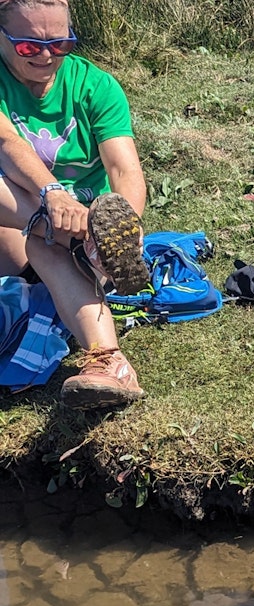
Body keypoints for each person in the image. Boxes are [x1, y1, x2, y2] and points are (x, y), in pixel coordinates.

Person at [0, 0, 147, 409]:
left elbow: (123, 168)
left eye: (60, 43)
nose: (47, 56)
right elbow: (6, 142)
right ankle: (81, 240)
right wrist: (53, 197)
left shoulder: (95, 86)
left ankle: (109, 361)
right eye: (30, 47)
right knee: (40, 231)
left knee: (41, 244)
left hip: (63, 233)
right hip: (20, 221)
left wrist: (127, 225)